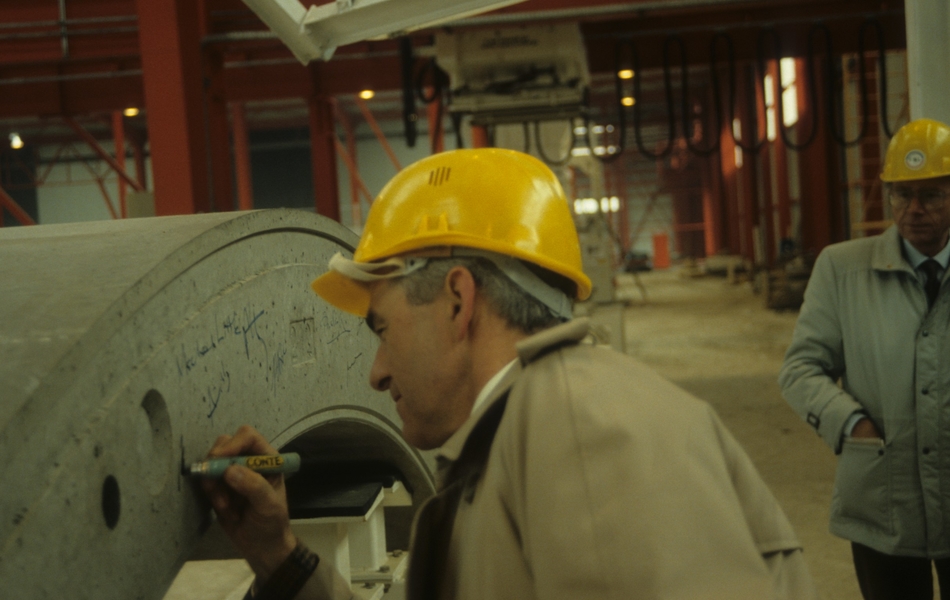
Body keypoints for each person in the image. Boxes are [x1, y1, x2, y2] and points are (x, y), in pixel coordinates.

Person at [204, 148, 817, 600]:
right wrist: (279, 556)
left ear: (457, 300)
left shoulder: (582, 428)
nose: (376, 373)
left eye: (382, 329)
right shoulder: (514, 443)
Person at [779, 118, 950, 600]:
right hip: (883, 499)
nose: (914, 210)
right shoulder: (842, 270)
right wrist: (851, 424)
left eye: (932, 195)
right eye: (901, 195)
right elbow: (800, 368)